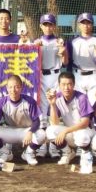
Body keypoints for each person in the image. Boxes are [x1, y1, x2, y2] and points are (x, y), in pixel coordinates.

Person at [0, 75, 46, 165]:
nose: (13, 90)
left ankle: (28, 153)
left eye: (16, 87)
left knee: (41, 134)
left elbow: (36, 121)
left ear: (21, 88)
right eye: (10, 87)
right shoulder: (1, 102)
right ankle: (6, 153)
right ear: (7, 88)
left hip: (26, 131)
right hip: (10, 131)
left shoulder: (29, 101)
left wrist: (30, 132)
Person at [33, 13, 67, 159]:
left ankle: (53, 145)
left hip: (55, 75)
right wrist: (34, 47)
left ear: (54, 26)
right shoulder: (37, 42)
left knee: (54, 110)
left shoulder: (59, 41)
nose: (48, 27)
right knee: (42, 111)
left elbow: (65, 62)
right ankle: (42, 145)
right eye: (45, 24)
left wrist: (63, 51)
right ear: (41, 26)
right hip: (41, 76)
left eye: (50, 24)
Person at [45, 72, 96, 165]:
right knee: (50, 131)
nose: (66, 87)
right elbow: (55, 123)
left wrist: (65, 131)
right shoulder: (57, 97)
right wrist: (52, 104)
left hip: (85, 131)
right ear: (59, 85)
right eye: (63, 84)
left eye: (69, 84)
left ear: (74, 84)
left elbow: (85, 123)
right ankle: (68, 152)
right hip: (70, 132)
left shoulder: (81, 97)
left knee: (81, 137)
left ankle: (86, 153)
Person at [66, 12, 96, 95]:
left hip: (94, 75)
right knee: (78, 102)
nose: (86, 26)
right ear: (79, 25)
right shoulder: (72, 41)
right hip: (78, 76)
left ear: (92, 25)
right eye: (83, 23)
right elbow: (69, 62)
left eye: (88, 23)